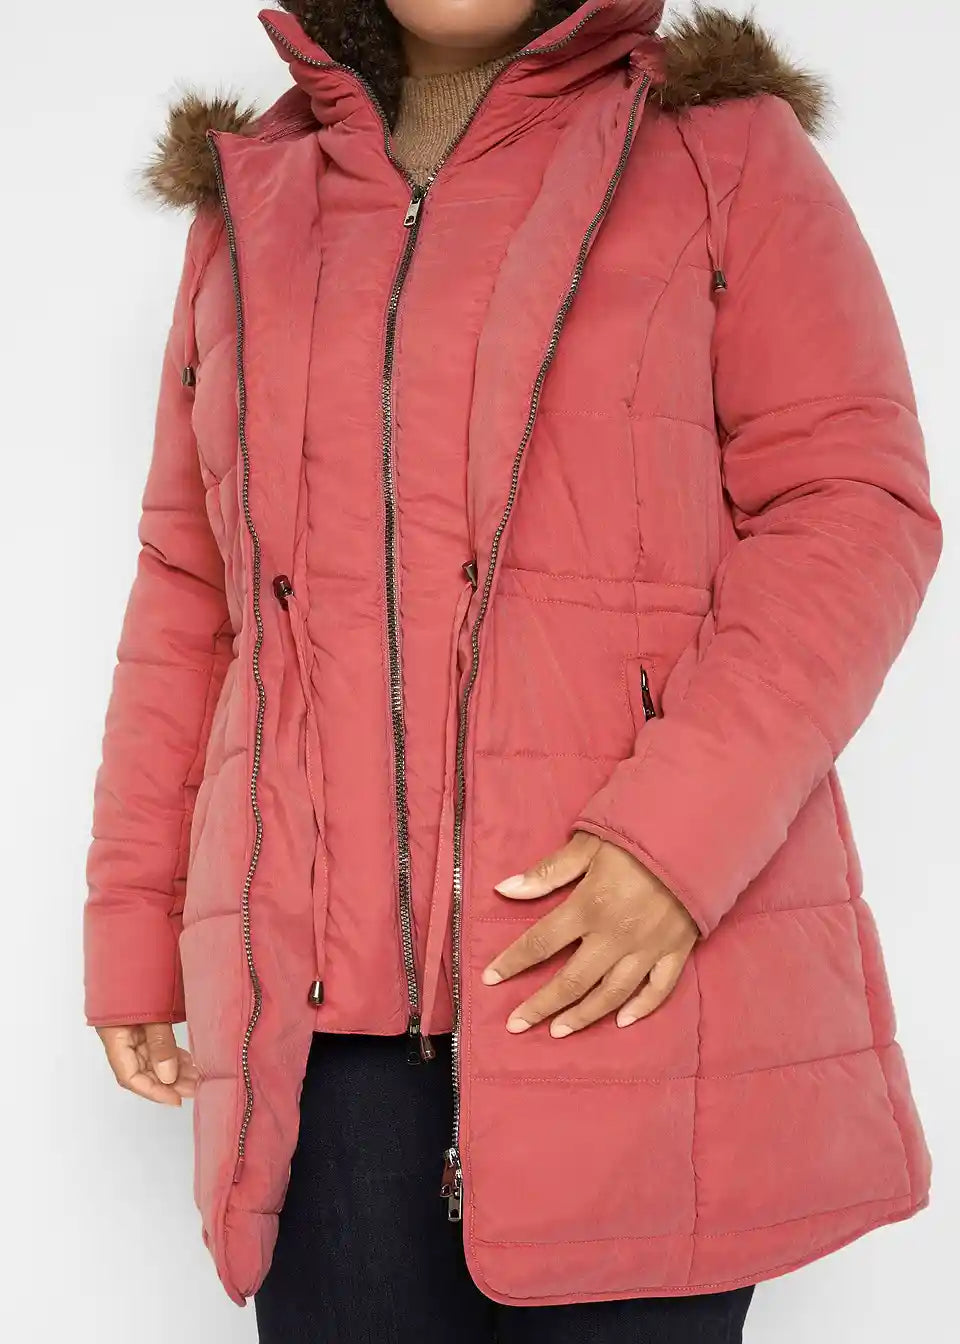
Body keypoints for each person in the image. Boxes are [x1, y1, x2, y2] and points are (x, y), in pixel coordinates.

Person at [82, 1, 941, 1339]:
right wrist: (137, 930)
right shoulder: (255, 199)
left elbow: (851, 509)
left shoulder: (718, 150)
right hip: (322, 1032)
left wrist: (676, 843)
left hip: (630, 981)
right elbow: (194, 595)